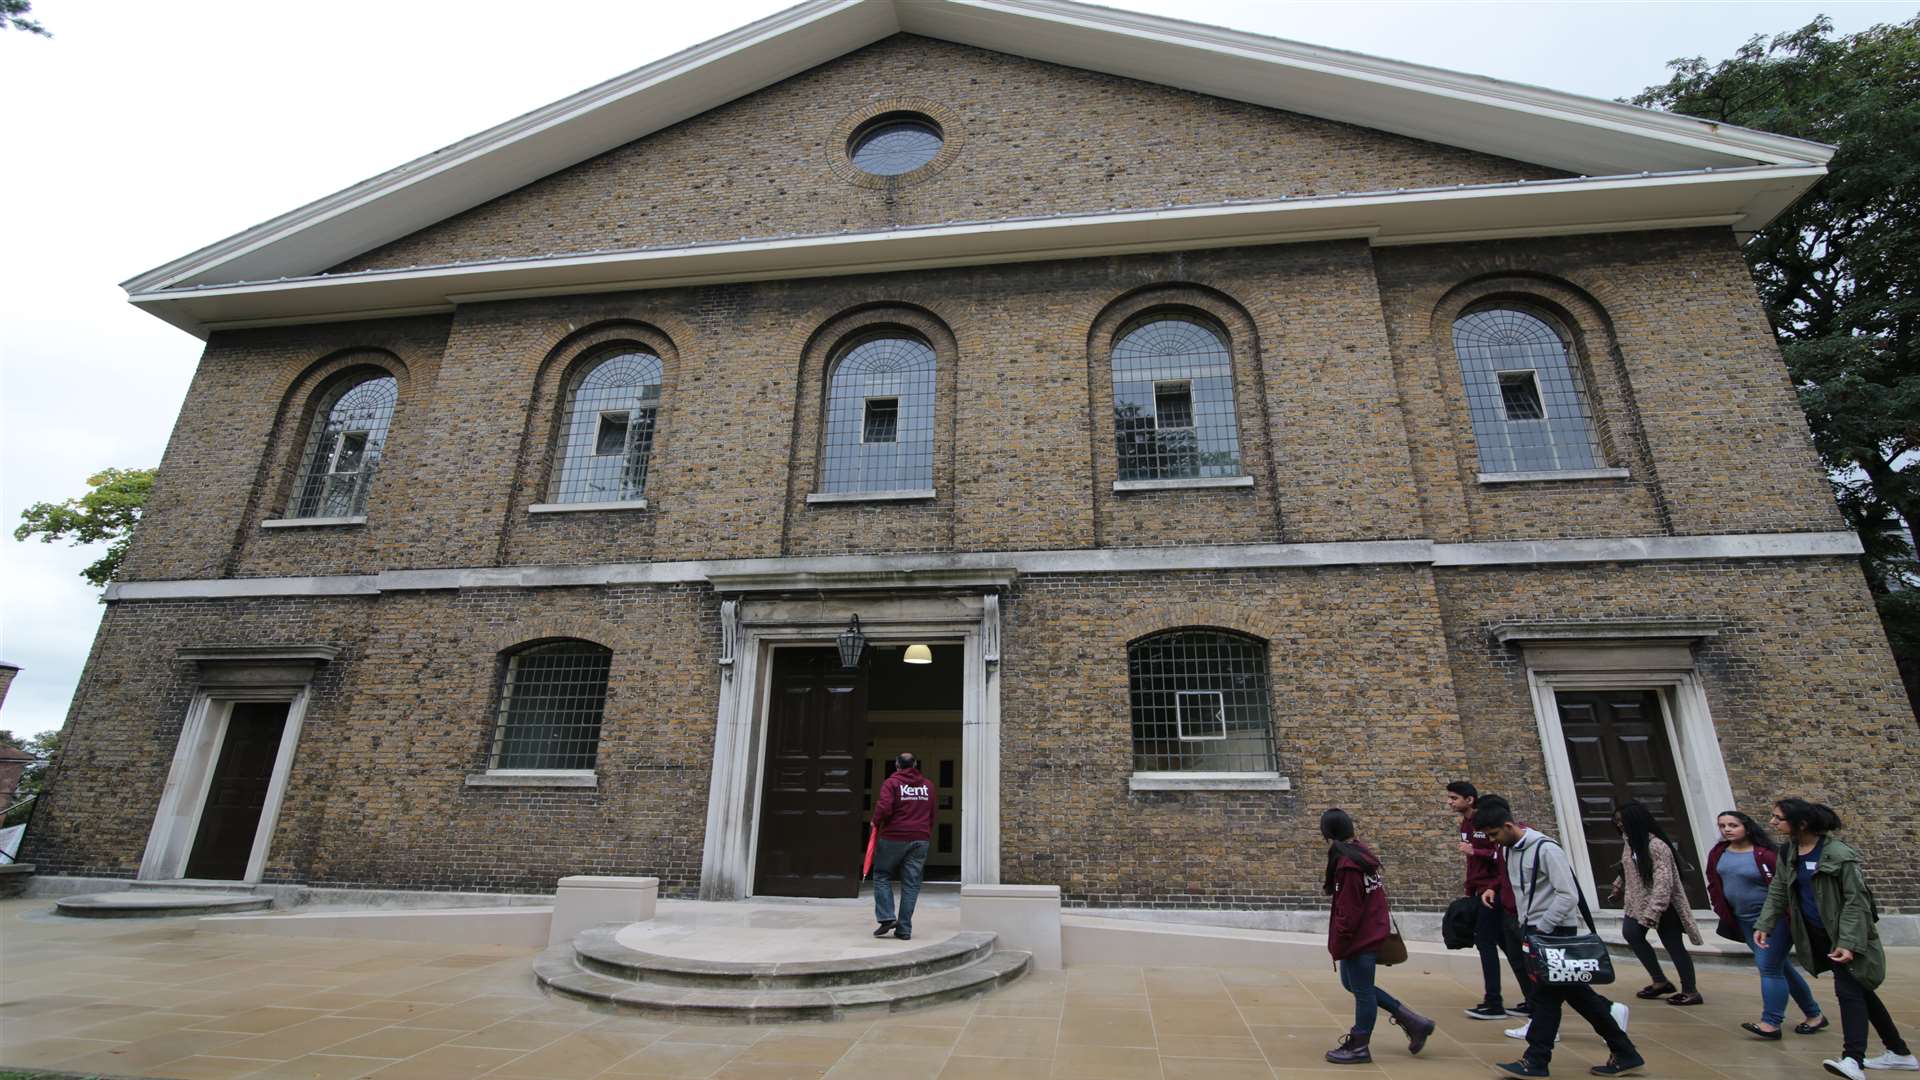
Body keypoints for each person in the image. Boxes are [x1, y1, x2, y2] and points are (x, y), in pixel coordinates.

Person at [1475, 802, 1643, 1078]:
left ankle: (1536, 1060)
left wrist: (1543, 926)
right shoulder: (1507, 851)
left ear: (1508, 826)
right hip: (1533, 932)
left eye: (1494, 835)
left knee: (1545, 1000)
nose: (1493, 841)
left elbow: (1568, 895)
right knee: (1579, 997)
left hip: (1554, 933)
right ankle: (1624, 1051)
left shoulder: (1546, 849)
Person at [1754, 799, 1915, 1080]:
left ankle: (1853, 1059)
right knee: (1862, 991)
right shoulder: (1788, 851)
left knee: (1849, 993)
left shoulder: (1840, 854)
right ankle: (1899, 1053)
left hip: (1848, 937)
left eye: (1778, 818)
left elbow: (1857, 902)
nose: (1772, 822)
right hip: (1819, 936)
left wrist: (1849, 942)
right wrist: (1765, 923)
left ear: (1801, 823)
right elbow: (1780, 888)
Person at [1321, 808, 1435, 1065]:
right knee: (1353, 984)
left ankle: (1359, 1045)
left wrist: (1340, 941)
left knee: (1362, 991)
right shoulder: (1361, 854)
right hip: (1370, 932)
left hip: (1360, 938)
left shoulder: (1348, 866)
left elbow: (1348, 912)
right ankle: (1414, 1021)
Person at [1705, 809, 1826, 1040]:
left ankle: (1771, 1022)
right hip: (1743, 919)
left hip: (1772, 921)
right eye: (1722, 826)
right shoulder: (1719, 852)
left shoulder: (1766, 854)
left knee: (1769, 968)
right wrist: (1720, 907)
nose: (1727, 829)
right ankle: (1814, 1014)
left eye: (1733, 825)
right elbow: (1714, 880)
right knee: (1781, 969)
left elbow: (1782, 887)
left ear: (1746, 827)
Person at [1609, 802, 1705, 1005]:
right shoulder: (1630, 843)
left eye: (1622, 822)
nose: (1620, 826)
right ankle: (1660, 981)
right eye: (1617, 822)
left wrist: (1655, 910)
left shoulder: (1657, 846)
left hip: (1663, 906)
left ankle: (1691, 990)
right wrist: (1618, 886)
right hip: (1637, 902)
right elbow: (1628, 867)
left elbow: (1664, 881)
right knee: (1631, 934)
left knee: (1673, 945)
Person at [1452, 781, 1521, 1020]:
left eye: (1454, 798)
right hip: (1481, 890)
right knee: (1504, 943)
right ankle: (1531, 998)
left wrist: (1476, 852)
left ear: (1469, 800)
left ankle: (1494, 1001)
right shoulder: (1467, 824)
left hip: (1491, 892)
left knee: (1487, 942)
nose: (1449, 802)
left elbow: (1498, 856)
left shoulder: (1487, 826)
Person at [868, 752, 934, 941]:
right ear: (915, 764)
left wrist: (875, 821)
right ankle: (904, 929)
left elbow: (885, 806)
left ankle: (887, 918)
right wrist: (925, 832)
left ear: (897, 765)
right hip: (920, 838)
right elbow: (932, 813)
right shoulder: (928, 786)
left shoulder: (892, 783)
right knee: (911, 884)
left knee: (881, 875)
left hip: (894, 837)